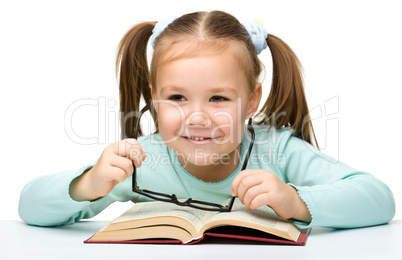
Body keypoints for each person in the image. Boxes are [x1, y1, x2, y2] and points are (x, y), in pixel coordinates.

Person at [19, 10, 395, 228]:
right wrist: (88, 184)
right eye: (177, 98)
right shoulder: (140, 163)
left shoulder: (278, 152)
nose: (197, 118)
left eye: (218, 98)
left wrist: (296, 202)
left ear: (251, 101)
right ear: (154, 97)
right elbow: (29, 208)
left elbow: (379, 199)